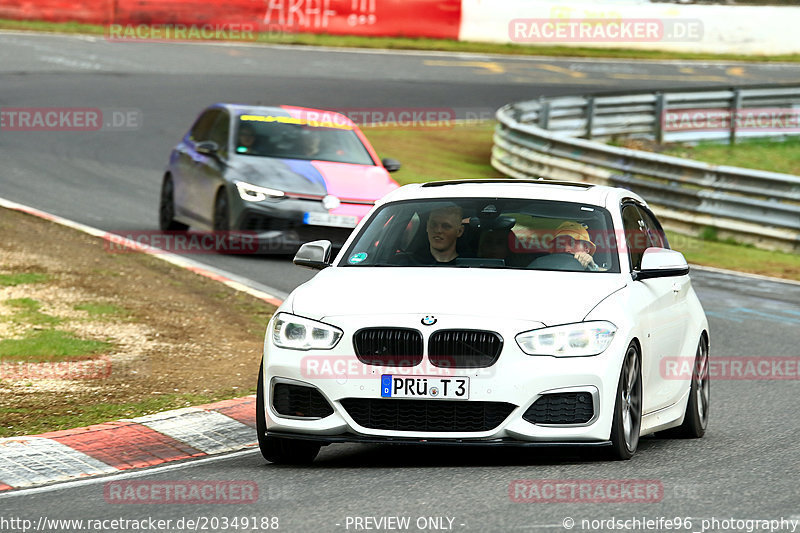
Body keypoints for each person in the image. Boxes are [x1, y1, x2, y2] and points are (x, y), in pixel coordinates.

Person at [528, 221, 599, 271]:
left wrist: (593, 267)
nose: (566, 249)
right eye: (560, 244)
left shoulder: (593, 268)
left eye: (572, 244)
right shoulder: (540, 265)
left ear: (586, 248)